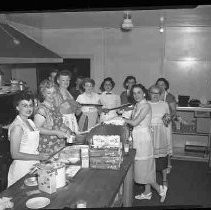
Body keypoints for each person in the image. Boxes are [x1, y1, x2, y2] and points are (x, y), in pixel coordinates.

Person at [123, 84, 167, 202]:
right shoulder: (138, 105)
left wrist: (120, 118)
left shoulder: (146, 106)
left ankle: (160, 189)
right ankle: (147, 193)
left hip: (143, 139)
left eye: (139, 92)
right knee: (144, 168)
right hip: (137, 137)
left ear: (144, 93)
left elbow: (135, 122)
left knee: (144, 168)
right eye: (134, 93)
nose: (136, 95)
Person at [7, 91, 50, 187]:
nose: (29, 108)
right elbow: (15, 154)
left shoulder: (30, 122)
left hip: (33, 165)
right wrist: (38, 157)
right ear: (17, 107)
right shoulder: (17, 127)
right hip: (22, 168)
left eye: (30, 105)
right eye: (24, 105)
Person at [34, 80, 72, 154]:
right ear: (43, 94)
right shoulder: (41, 110)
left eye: (54, 93)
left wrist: (67, 129)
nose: (51, 95)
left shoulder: (54, 107)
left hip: (58, 145)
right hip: (47, 146)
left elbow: (58, 124)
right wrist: (56, 132)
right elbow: (37, 129)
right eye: (48, 93)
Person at [148, 85, 172, 188]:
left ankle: (164, 181)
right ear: (149, 93)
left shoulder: (164, 105)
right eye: (153, 93)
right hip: (149, 135)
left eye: (158, 93)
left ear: (161, 94)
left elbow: (167, 123)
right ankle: (150, 182)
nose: (155, 95)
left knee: (162, 159)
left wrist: (168, 139)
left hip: (161, 135)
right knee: (149, 160)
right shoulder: (145, 104)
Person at [155, 78, 176, 173]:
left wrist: (165, 120)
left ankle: (168, 164)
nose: (160, 86)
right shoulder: (154, 96)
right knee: (157, 144)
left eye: (162, 84)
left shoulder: (170, 97)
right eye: (158, 84)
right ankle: (156, 165)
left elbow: (174, 111)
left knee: (167, 143)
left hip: (166, 123)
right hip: (155, 124)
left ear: (166, 86)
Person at [55, 70, 80, 134]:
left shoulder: (68, 92)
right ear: (58, 81)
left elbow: (75, 110)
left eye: (68, 80)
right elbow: (55, 111)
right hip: (63, 122)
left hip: (72, 119)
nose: (66, 82)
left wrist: (77, 107)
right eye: (63, 80)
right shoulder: (57, 94)